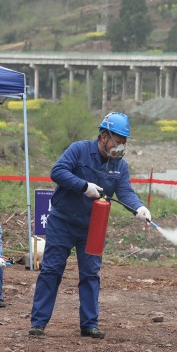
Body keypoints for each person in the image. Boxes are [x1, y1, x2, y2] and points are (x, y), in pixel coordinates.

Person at [29, 112, 151, 338]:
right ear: (104, 136)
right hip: (63, 222)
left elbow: (124, 191)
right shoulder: (79, 149)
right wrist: (84, 186)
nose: (120, 147)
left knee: (90, 274)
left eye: (124, 143)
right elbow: (57, 171)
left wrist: (138, 207)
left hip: (93, 226)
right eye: (118, 141)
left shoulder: (120, 166)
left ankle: (89, 324)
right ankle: (38, 322)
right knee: (51, 270)